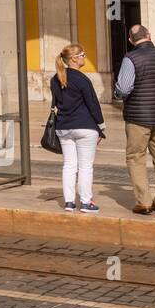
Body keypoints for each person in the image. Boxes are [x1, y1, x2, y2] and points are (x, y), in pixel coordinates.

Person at [115, 24, 155, 215]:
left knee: (135, 157)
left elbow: (123, 89)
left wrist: (118, 93)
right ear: (149, 35)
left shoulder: (130, 58)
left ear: (131, 41)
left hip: (137, 116)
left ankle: (144, 202)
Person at [50, 43, 105, 213]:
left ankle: (69, 202)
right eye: (82, 54)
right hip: (84, 127)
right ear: (73, 58)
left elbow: (56, 103)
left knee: (69, 165)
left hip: (64, 127)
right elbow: (93, 104)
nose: (84, 57)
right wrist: (101, 126)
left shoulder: (55, 78)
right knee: (85, 166)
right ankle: (86, 202)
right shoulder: (82, 79)